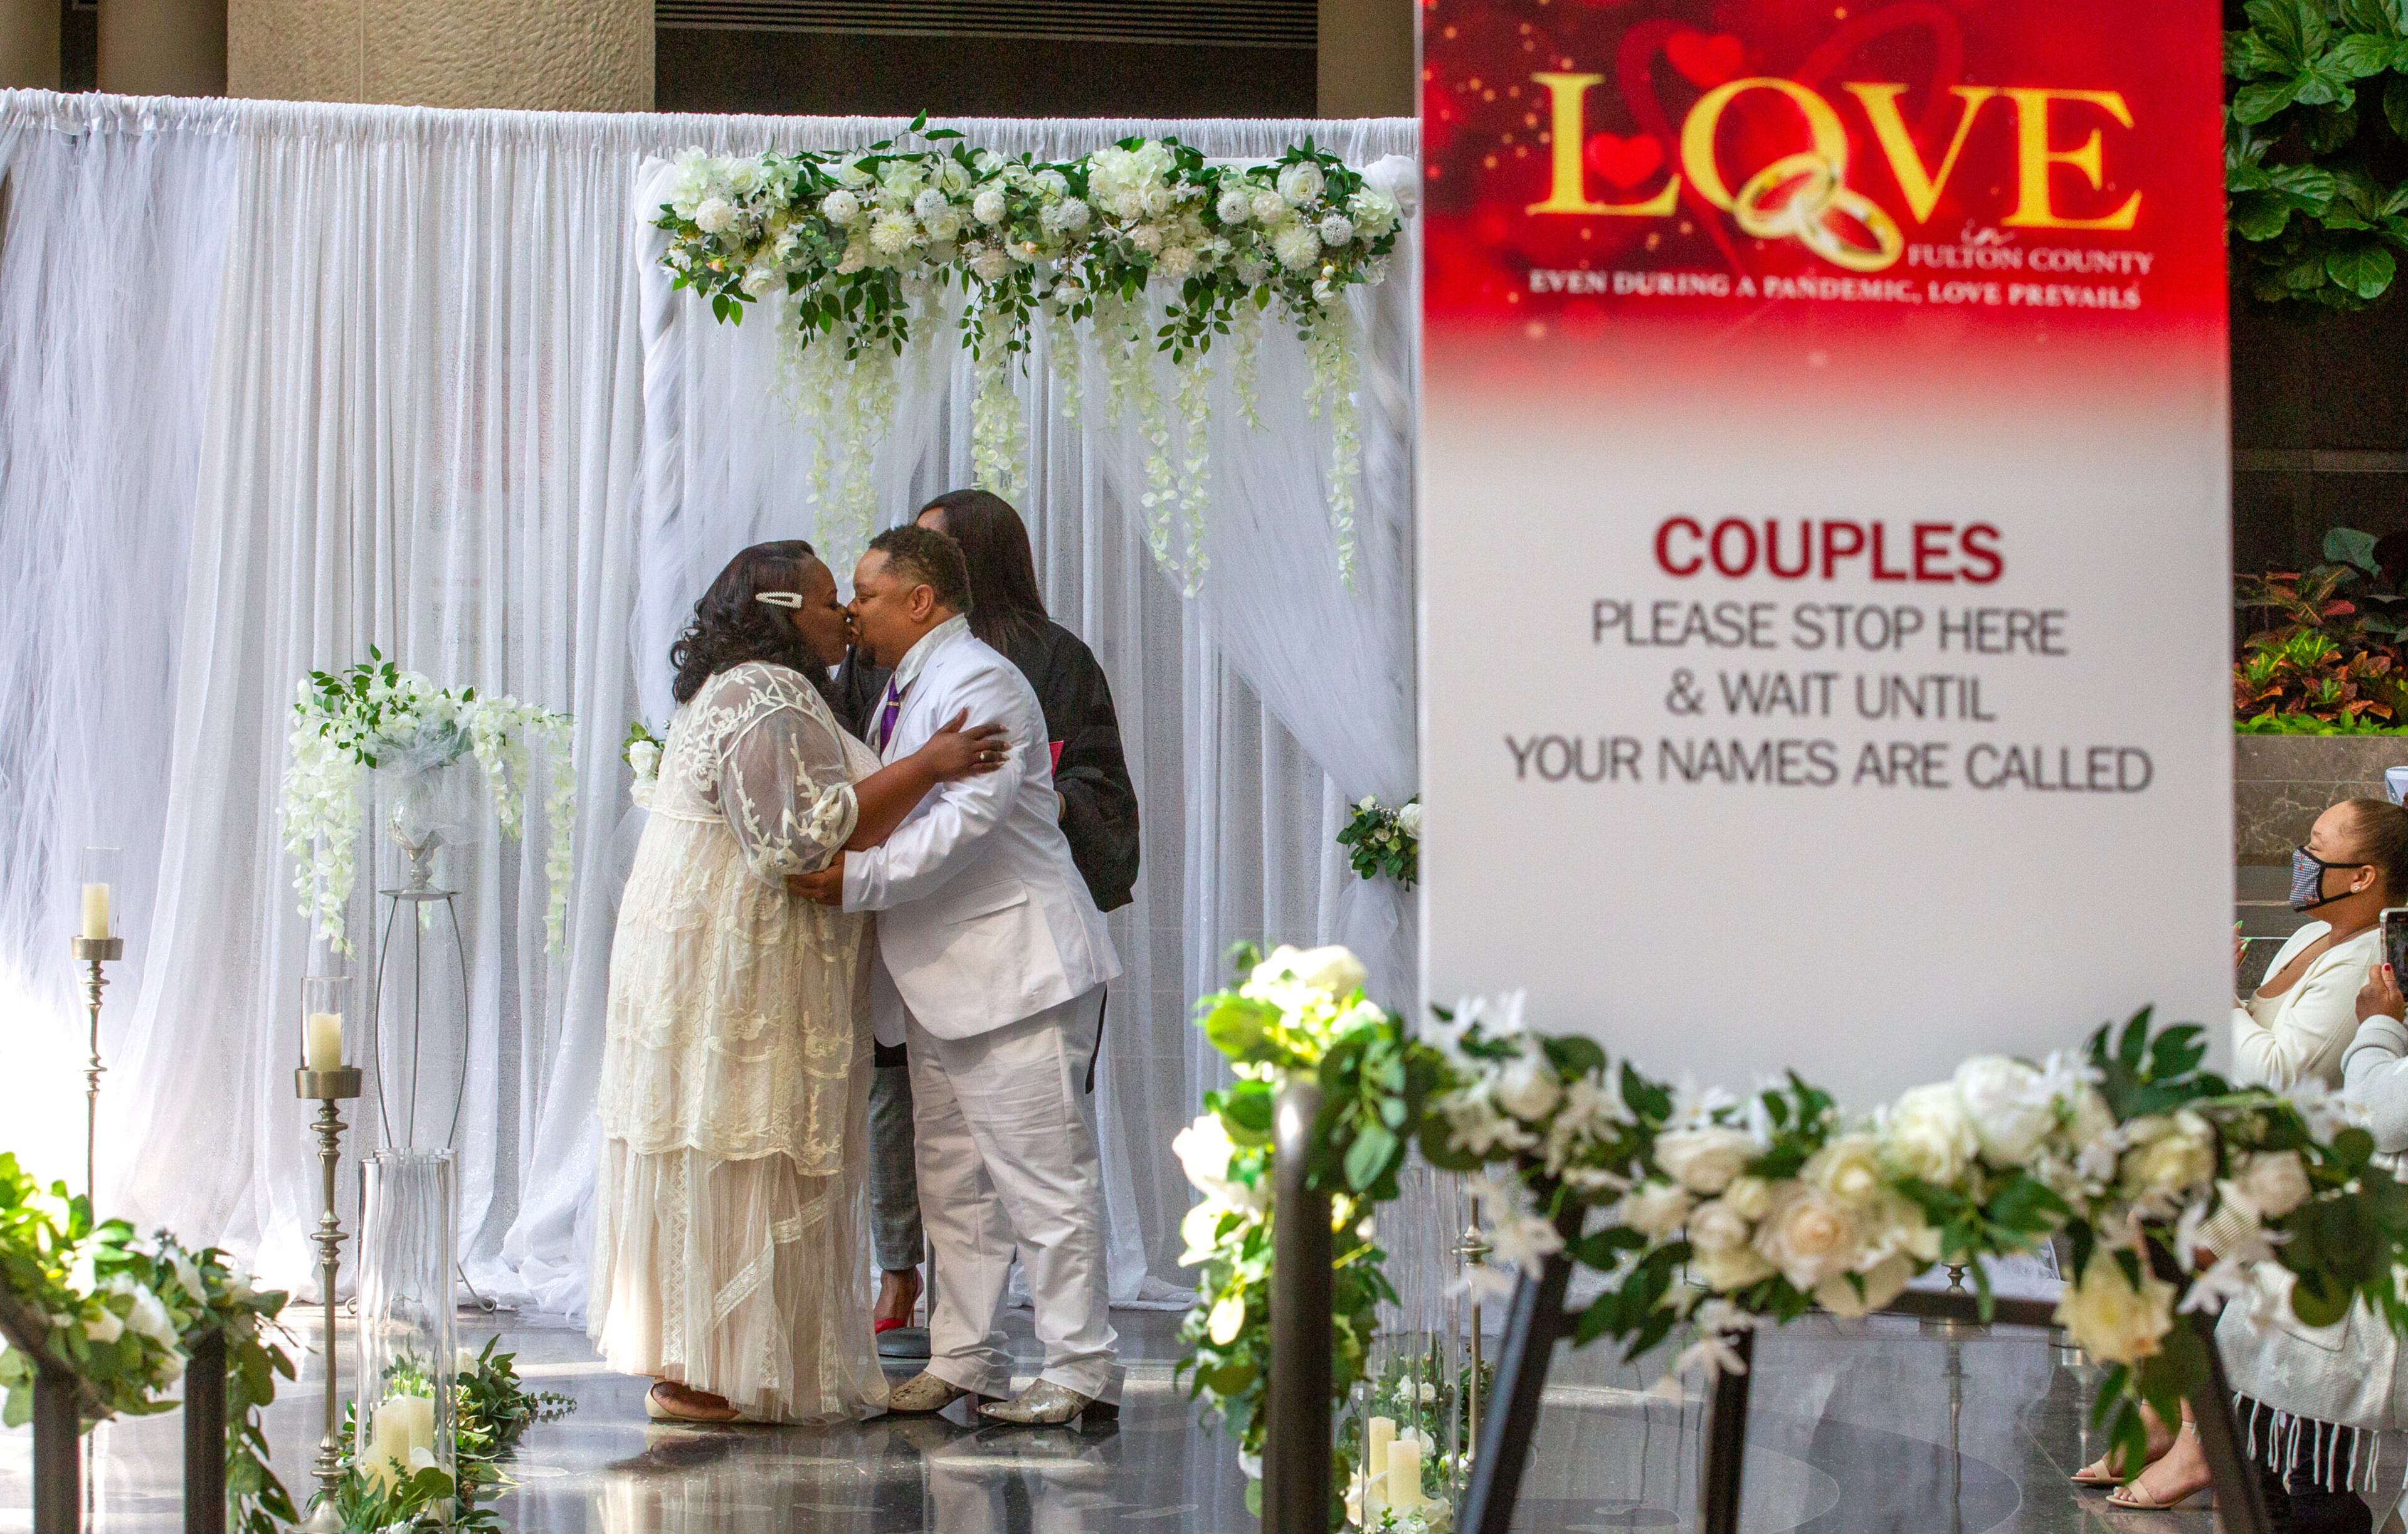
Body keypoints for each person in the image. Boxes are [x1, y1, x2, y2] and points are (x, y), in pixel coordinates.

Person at [588, 540, 1008, 1426]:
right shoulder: (766, 693)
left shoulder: (745, 687)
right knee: (748, 1140)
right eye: (828, 600)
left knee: (727, 1139)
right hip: (738, 967)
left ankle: (713, 1365)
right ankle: (719, 1370)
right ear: (780, 610)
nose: (845, 617)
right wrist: (930, 765)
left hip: (709, 957)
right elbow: (797, 838)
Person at [794, 524, 1123, 1426]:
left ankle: (1081, 1367)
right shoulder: (907, 685)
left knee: (1045, 1178)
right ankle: (965, 1356)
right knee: (955, 1184)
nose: (853, 610)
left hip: (1016, 969)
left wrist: (855, 880)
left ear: (920, 600)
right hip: (944, 978)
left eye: (866, 593)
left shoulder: (981, 679)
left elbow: (963, 824)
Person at [2087, 798, 2408, 1516]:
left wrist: (2216, 997)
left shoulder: (2367, 962)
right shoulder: (2313, 936)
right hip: (2261, 1145)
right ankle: (2173, 1408)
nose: (2302, 858)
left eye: (2316, 846)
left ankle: (2199, 1432)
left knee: (2185, 1234)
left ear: (2362, 875)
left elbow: (2282, 1074)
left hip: (2307, 1166)